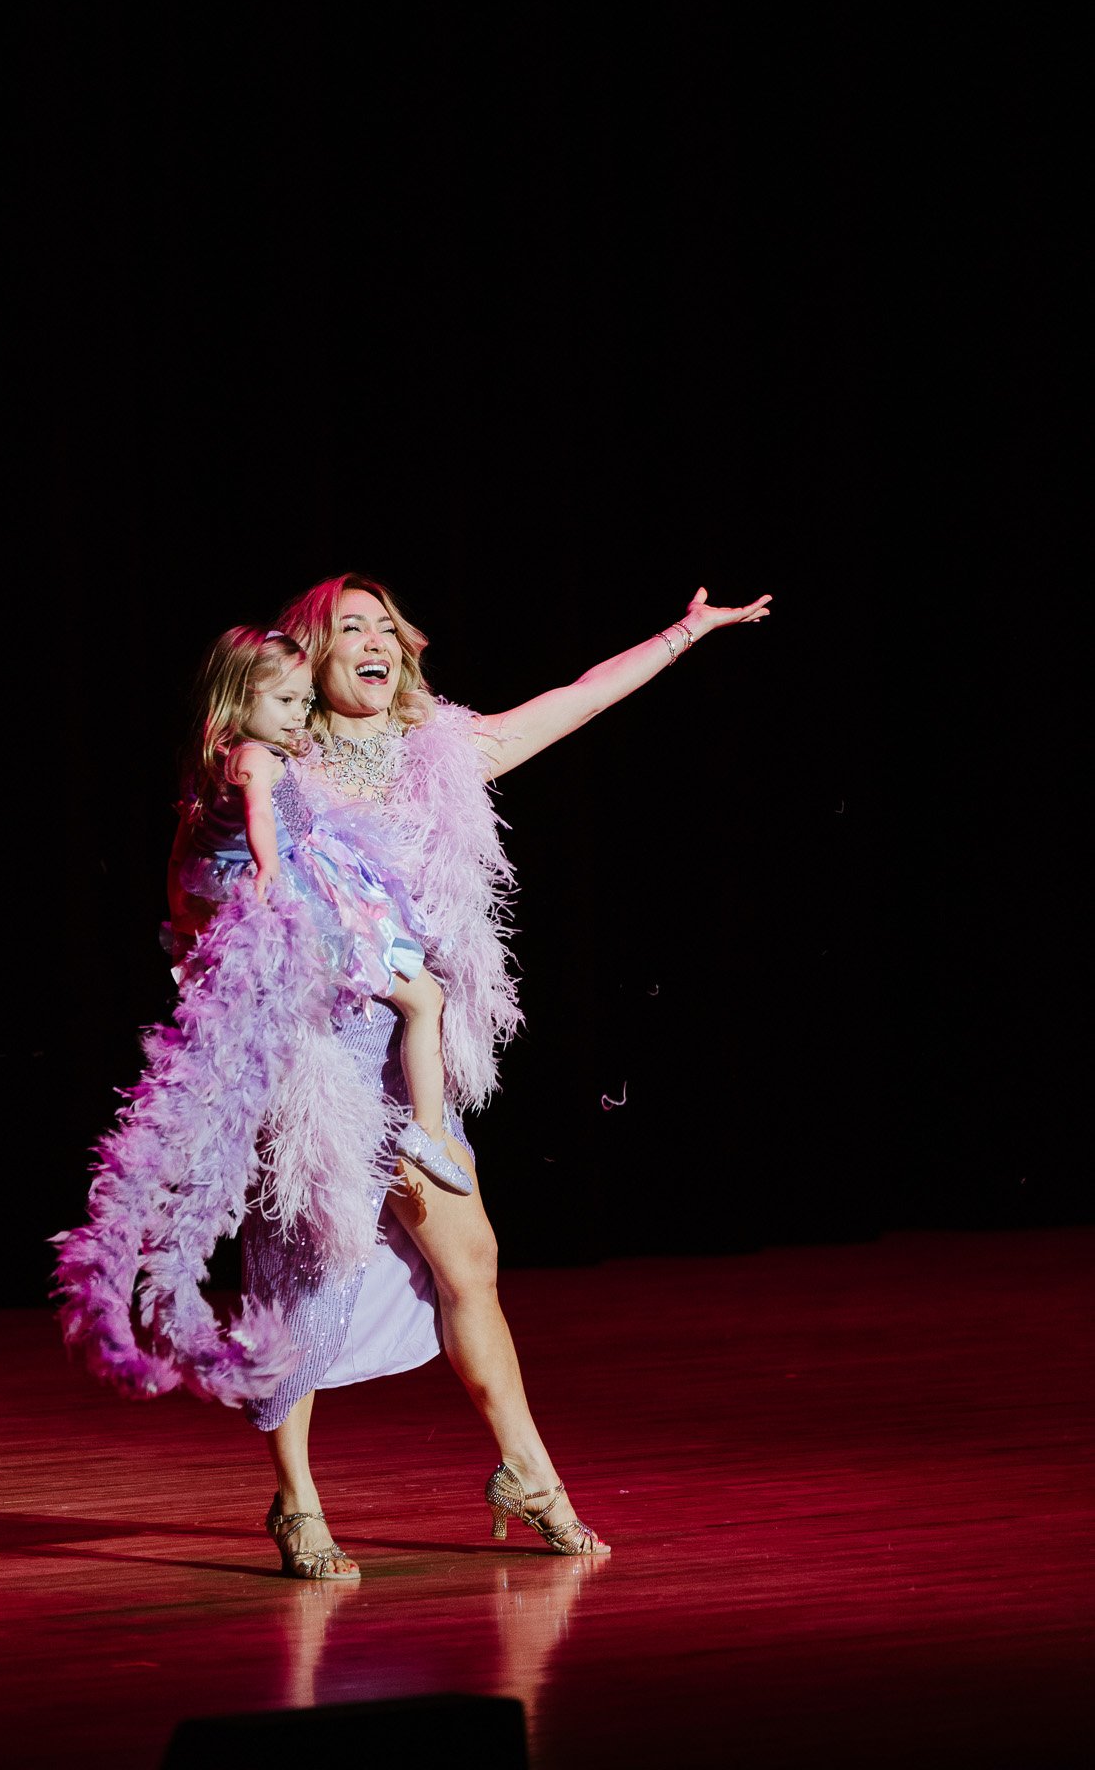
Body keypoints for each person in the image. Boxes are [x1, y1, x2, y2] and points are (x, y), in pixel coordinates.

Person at [239, 573, 772, 1580]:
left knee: (470, 1261)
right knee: (306, 1278)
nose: (376, 640)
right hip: (313, 1052)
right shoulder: (276, 765)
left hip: (411, 1059)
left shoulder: (439, 756)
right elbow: (202, 881)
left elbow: (573, 699)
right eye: (350, 626)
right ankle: (297, 1496)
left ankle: (525, 1471)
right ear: (308, 654)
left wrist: (684, 633)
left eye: (386, 627)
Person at [171, 627, 471, 1196]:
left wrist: (182, 919)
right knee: (426, 997)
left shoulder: (208, 764)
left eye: (304, 702)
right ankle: (426, 1131)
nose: (297, 715)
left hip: (283, 895)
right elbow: (261, 814)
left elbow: (183, 853)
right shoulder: (255, 757)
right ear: (237, 697)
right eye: (284, 701)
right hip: (312, 898)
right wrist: (267, 869)